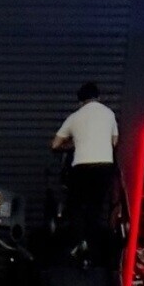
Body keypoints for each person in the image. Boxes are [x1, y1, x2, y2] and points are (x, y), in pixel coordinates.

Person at [51, 82, 120, 259]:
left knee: (75, 205)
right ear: (99, 97)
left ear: (80, 101)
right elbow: (114, 142)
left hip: (82, 167)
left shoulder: (75, 116)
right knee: (95, 207)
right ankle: (92, 248)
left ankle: (79, 242)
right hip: (105, 166)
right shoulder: (109, 113)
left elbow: (55, 144)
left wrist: (73, 144)